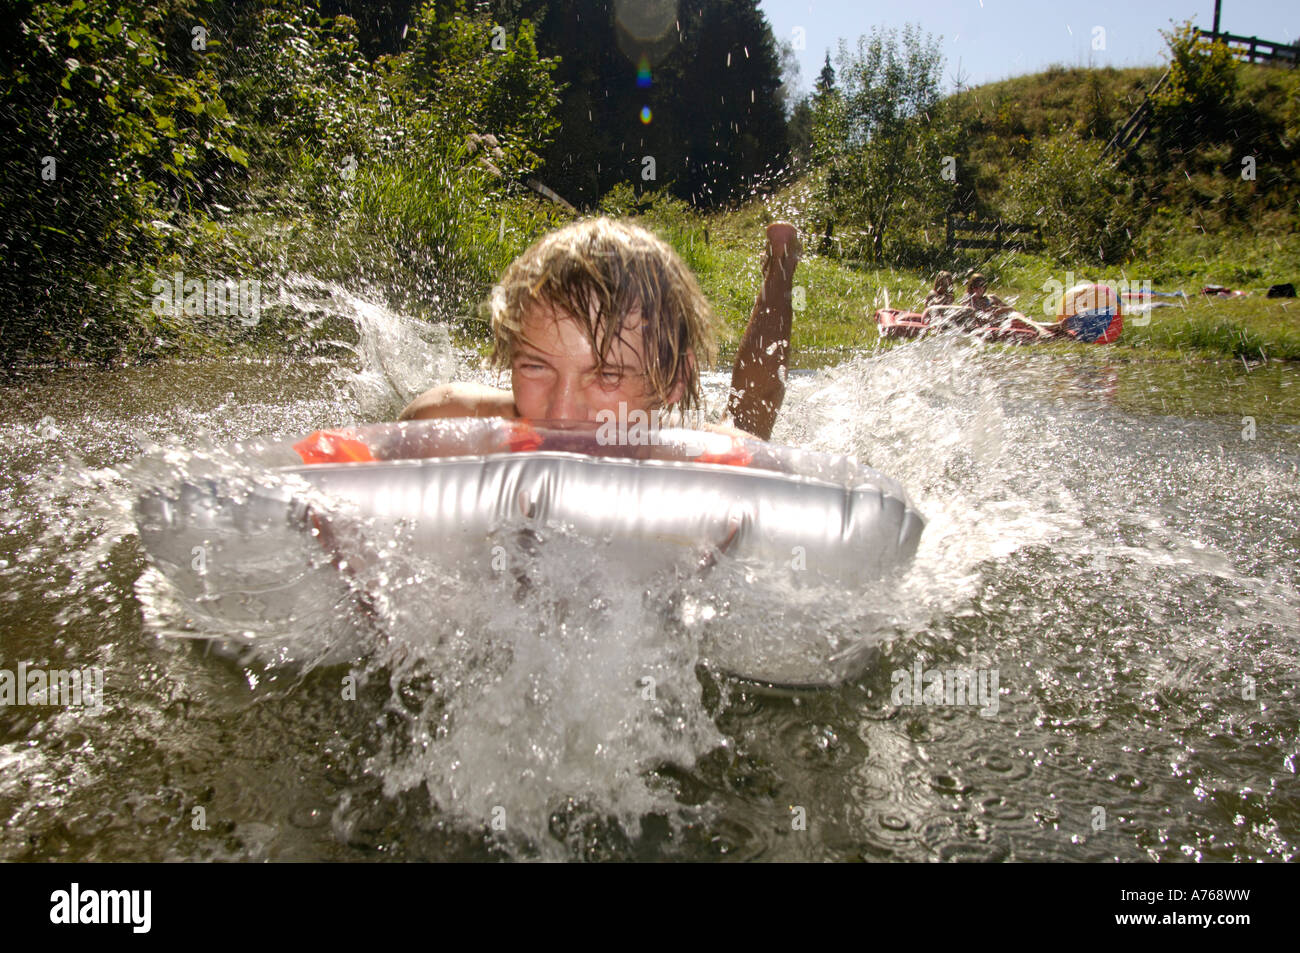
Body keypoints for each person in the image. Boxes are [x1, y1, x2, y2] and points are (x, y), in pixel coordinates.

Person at [399, 217, 801, 442]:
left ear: (674, 380)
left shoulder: (712, 461)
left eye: (607, 374)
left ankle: (780, 273)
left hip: (682, 437)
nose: (560, 414)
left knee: (748, 419)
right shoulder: (443, 422)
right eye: (535, 367)